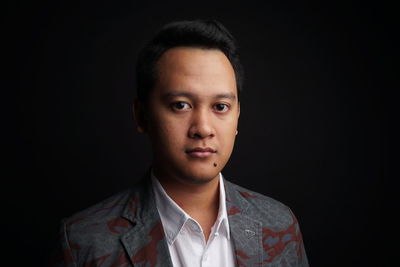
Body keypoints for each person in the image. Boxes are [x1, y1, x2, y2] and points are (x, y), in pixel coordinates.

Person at [52, 19, 309, 267]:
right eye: (180, 105)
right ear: (142, 115)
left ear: (237, 115)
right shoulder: (85, 242)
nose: (203, 129)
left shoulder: (278, 225)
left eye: (220, 107)